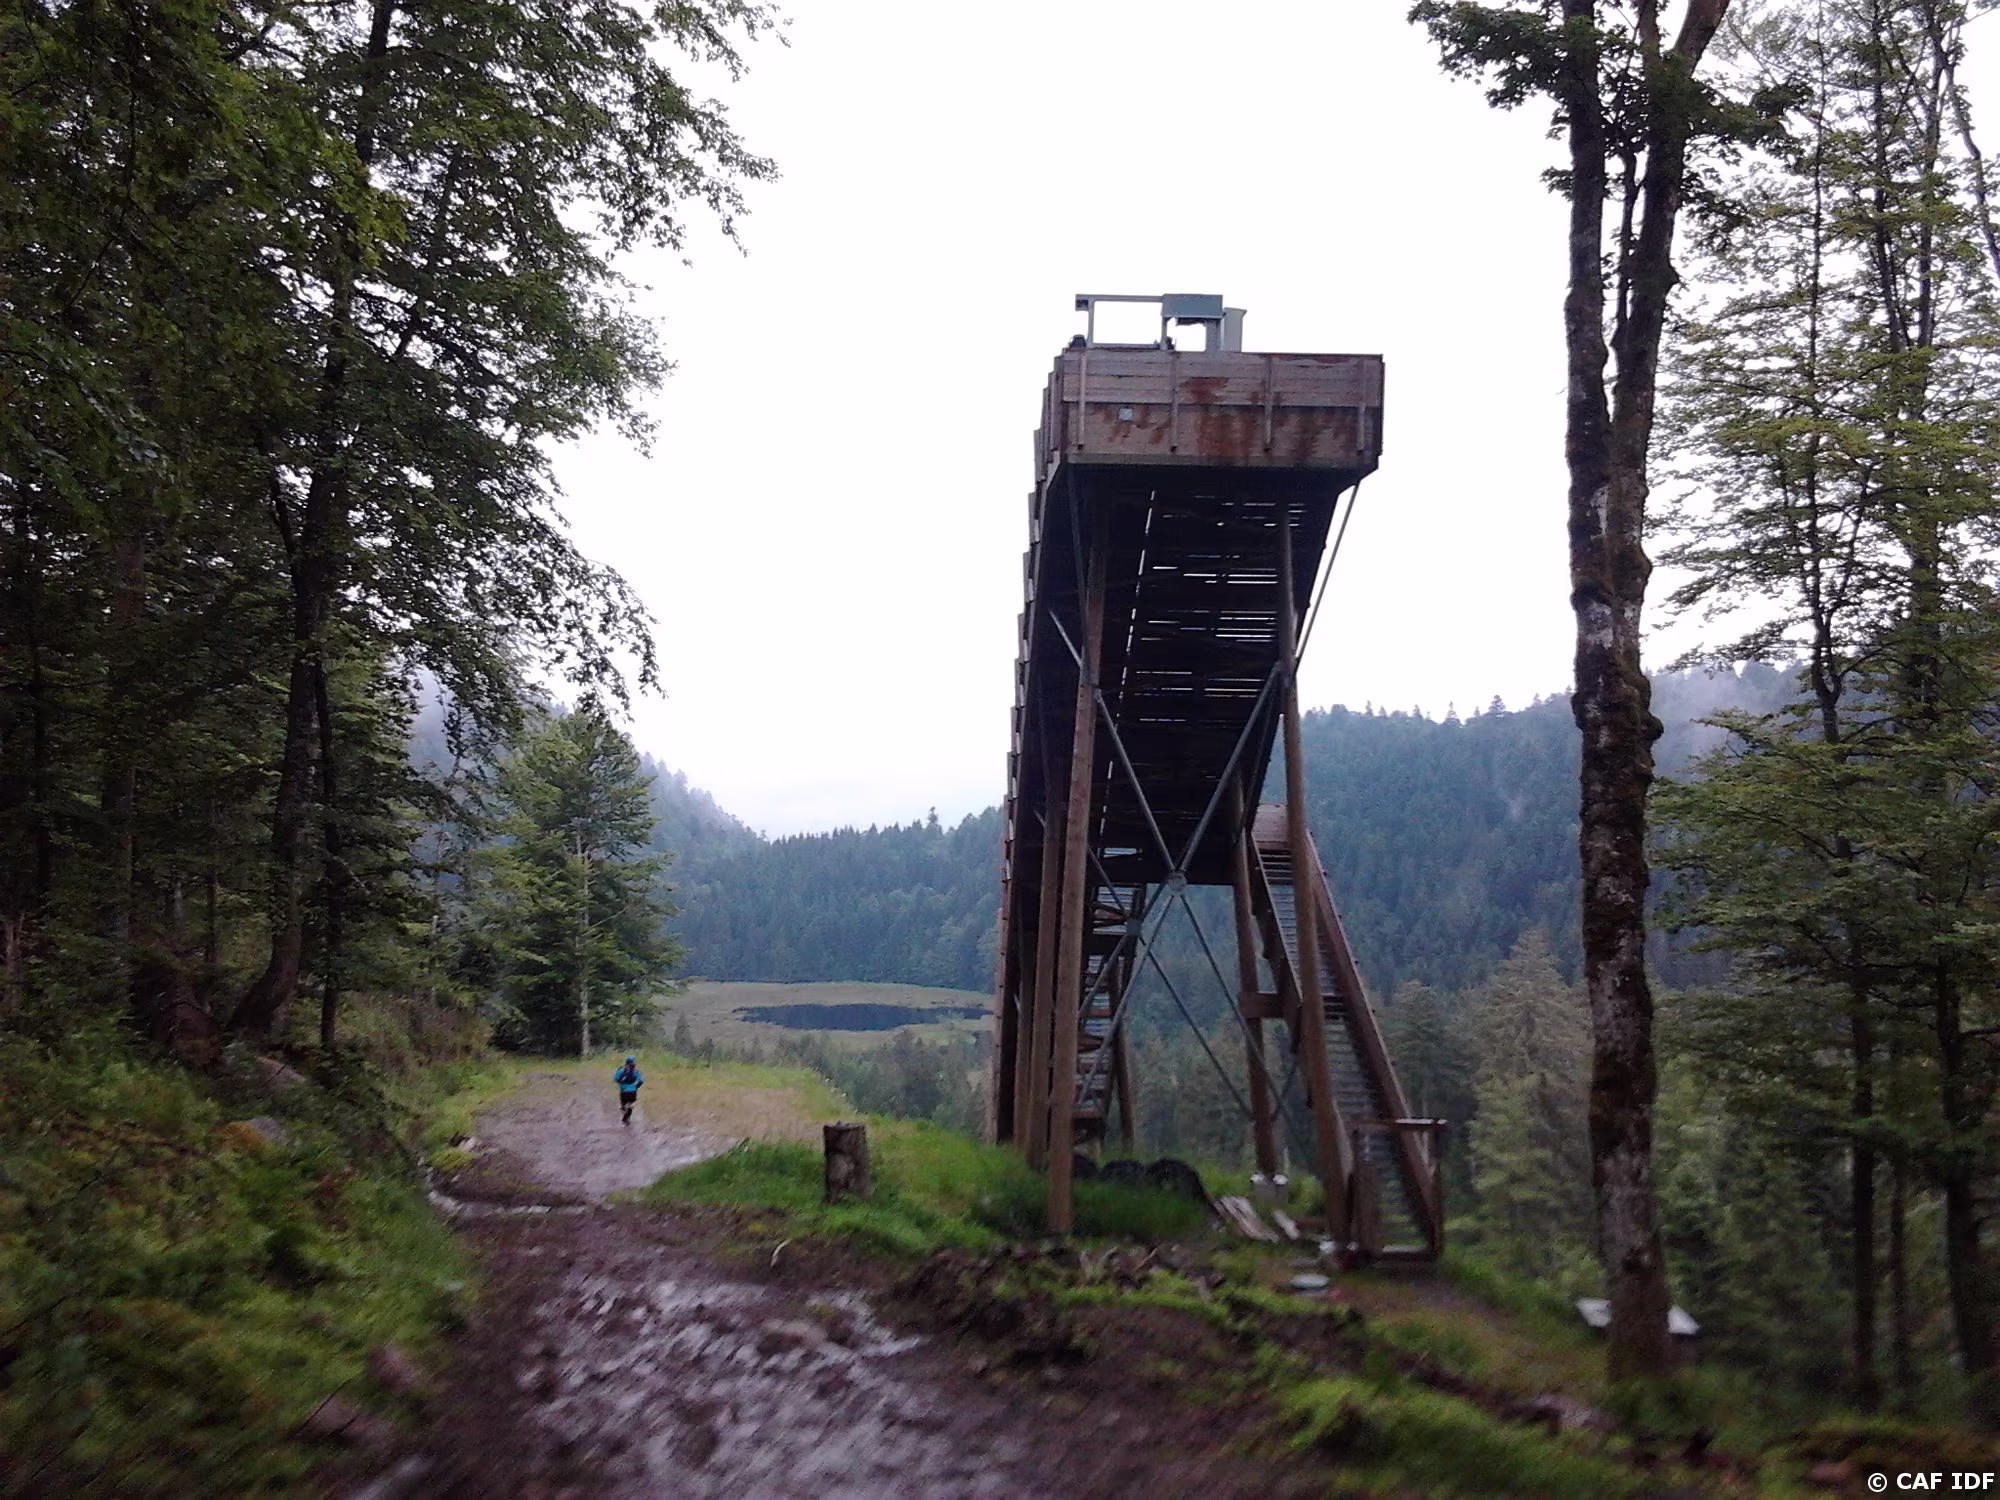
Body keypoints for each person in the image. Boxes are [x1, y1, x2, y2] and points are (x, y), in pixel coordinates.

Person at [614, 1055, 643, 1125]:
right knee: (630, 1105)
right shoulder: (636, 1071)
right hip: (633, 1091)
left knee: (623, 1105)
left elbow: (616, 1079)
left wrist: (621, 1083)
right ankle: (627, 1118)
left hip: (624, 1090)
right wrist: (636, 1087)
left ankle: (625, 1117)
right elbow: (641, 1081)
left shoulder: (621, 1070)